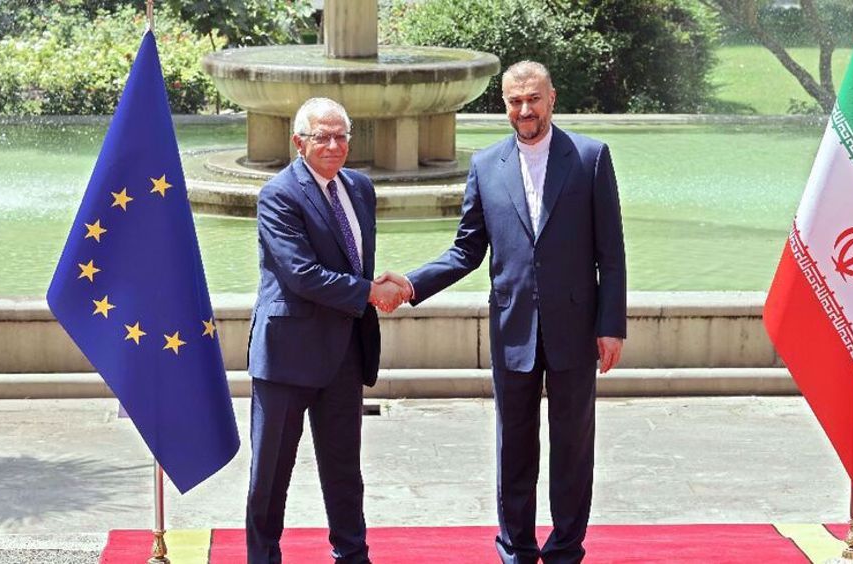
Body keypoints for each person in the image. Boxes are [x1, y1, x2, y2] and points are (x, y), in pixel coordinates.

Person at [381, 60, 626, 563]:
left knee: (573, 449)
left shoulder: (590, 157)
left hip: (576, 330)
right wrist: (410, 284)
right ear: (505, 105)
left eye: (533, 99)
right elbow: (465, 252)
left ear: (551, 98)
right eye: (515, 101)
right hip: (512, 329)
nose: (524, 109)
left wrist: (611, 326)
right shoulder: (484, 165)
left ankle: (564, 548)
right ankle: (515, 548)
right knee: (513, 448)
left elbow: (612, 253)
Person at [246, 97, 406, 564]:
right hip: (287, 356)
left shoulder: (360, 188)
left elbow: (356, 261)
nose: (334, 145)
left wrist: (370, 289)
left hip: (344, 352)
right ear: (299, 142)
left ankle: (352, 555)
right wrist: (368, 293)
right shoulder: (278, 194)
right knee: (271, 473)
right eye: (323, 137)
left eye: (342, 136)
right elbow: (300, 273)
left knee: (344, 469)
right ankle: (263, 558)